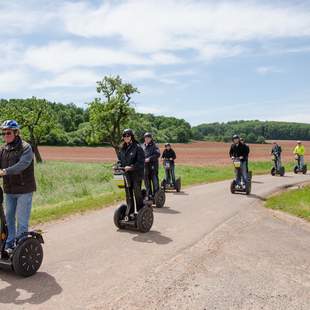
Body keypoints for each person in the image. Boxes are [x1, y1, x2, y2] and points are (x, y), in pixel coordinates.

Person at [0, 120, 36, 251]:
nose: (5, 136)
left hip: (24, 190)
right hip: (9, 191)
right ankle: (9, 245)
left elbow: (21, 166)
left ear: (16, 132)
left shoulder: (26, 148)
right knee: (8, 219)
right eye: (3, 133)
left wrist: (5, 171)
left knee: (21, 221)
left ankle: (21, 248)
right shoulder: (3, 149)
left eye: (8, 132)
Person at [118, 129, 145, 214]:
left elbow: (141, 162)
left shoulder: (137, 147)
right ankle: (131, 212)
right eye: (124, 136)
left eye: (128, 135)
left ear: (131, 136)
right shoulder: (122, 148)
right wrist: (117, 166)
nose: (126, 137)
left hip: (136, 175)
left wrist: (131, 167)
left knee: (137, 194)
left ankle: (141, 212)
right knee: (128, 194)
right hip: (126, 175)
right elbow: (120, 160)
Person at [142, 132, 160, 198]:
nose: (146, 139)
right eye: (145, 138)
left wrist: (149, 159)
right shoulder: (142, 146)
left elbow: (157, 154)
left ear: (151, 138)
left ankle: (156, 195)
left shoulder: (154, 145)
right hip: (145, 166)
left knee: (154, 180)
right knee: (146, 180)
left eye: (148, 138)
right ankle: (149, 194)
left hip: (153, 166)